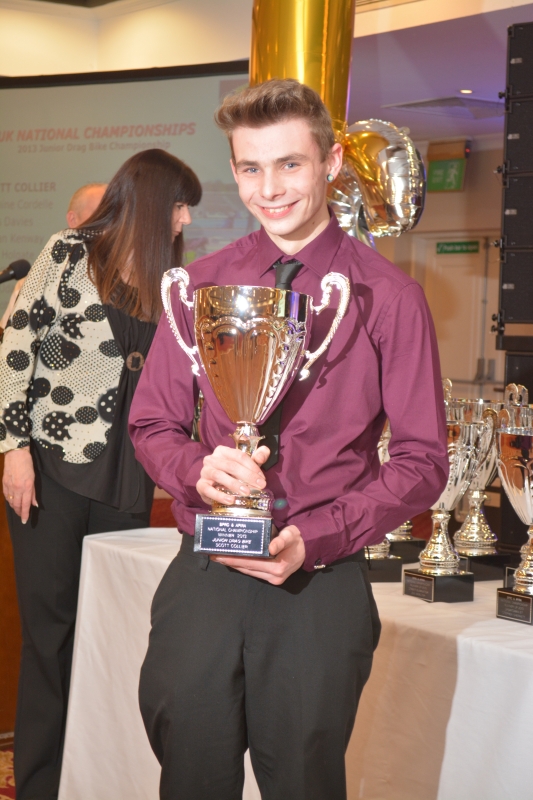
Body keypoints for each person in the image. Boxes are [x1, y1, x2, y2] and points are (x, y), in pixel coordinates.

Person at [129, 80, 449, 800]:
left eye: (289, 164)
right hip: (207, 566)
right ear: (234, 169)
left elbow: (423, 461)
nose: (268, 189)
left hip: (319, 581)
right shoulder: (200, 285)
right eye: (250, 168)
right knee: (188, 774)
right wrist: (196, 470)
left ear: (330, 163)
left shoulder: (387, 296)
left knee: (303, 782)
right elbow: (152, 423)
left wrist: (320, 536)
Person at [0, 148, 201, 800]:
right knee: (50, 639)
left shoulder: (172, 282)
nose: (186, 218)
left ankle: (96, 782)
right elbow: (16, 348)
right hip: (51, 471)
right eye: (179, 205)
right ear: (151, 200)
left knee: (112, 637)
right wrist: (13, 449)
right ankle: (39, 786)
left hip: (128, 481)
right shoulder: (67, 253)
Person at [0, 182, 108, 331]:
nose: (111, 223)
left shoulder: (133, 281)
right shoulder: (36, 285)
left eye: (117, 214)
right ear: (73, 220)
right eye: (101, 214)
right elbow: (9, 338)